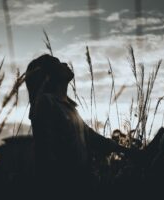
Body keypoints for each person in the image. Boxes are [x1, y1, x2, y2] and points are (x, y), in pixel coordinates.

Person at [25, 54, 130, 198]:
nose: (65, 63)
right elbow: (46, 154)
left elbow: (92, 137)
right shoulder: (46, 103)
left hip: (81, 187)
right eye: (58, 62)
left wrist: (126, 150)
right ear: (49, 75)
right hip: (65, 189)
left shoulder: (69, 108)